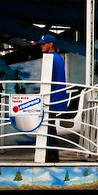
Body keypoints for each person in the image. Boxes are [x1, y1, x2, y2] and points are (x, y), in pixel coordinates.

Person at [38, 34, 69, 163]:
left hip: (51, 96)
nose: (41, 46)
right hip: (57, 95)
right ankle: (51, 154)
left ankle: (51, 155)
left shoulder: (49, 58)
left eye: (44, 44)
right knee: (50, 126)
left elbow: (48, 79)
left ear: (50, 44)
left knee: (48, 126)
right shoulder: (59, 57)